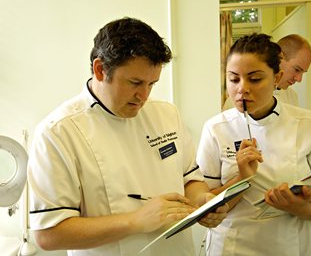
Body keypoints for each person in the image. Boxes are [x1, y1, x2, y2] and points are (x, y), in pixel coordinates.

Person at [27, 17, 228, 256]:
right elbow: (48, 234)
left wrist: (203, 201)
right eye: (135, 82)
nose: (143, 96)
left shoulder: (166, 114)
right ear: (100, 70)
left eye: (152, 84)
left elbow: (189, 179)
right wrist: (135, 221)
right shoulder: (58, 132)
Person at [197, 33, 311, 255]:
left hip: (292, 244)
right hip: (233, 246)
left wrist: (299, 207)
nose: (242, 89)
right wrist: (243, 178)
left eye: (254, 79)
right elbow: (207, 205)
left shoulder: (309, 124)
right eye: (233, 79)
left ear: (276, 77)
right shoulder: (216, 128)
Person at [274, 34, 311, 106]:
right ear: (279, 58)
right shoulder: (256, 93)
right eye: (297, 70)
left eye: (303, 72)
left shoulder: (292, 96)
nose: (299, 79)